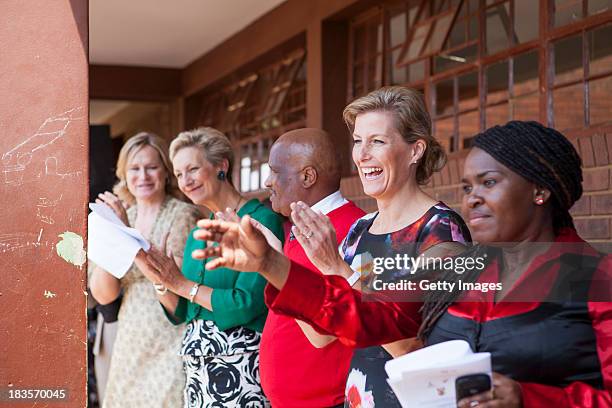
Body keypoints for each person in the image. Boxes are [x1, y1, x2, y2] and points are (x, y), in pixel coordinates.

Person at [195, 120, 612, 407]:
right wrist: (270, 263)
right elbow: (371, 315)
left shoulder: (596, 279)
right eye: (467, 187)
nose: (472, 198)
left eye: (489, 183)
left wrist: (528, 399)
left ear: (540, 190)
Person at [197, 87, 472, 407]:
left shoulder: (441, 231)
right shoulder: (362, 230)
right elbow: (324, 331)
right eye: (358, 141)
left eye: (378, 141)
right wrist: (272, 260)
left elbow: (415, 347)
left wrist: (337, 269)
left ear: (415, 151)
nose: (362, 154)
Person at [134, 127, 284, 408]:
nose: (185, 181)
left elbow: (247, 303)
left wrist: (180, 284)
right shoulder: (197, 234)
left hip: (242, 364)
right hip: (197, 371)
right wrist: (158, 277)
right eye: (179, 174)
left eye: (192, 169)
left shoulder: (260, 221)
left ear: (221, 166)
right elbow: (181, 311)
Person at [89, 132, 200, 408]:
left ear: (165, 171)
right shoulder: (123, 214)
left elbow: (175, 281)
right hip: (131, 335)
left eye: (151, 167)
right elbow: (103, 295)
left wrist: (126, 233)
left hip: (169, 329)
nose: (143, 176)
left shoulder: (182, 214)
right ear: (124, 175)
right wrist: (113, 231)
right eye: (134, 169)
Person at [259, 128, 365, 408]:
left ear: (307, 176)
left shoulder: (356, 229)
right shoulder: (302, 226)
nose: (267, 182)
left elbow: (324, 331)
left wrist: (272, 264)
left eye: (274, 171)